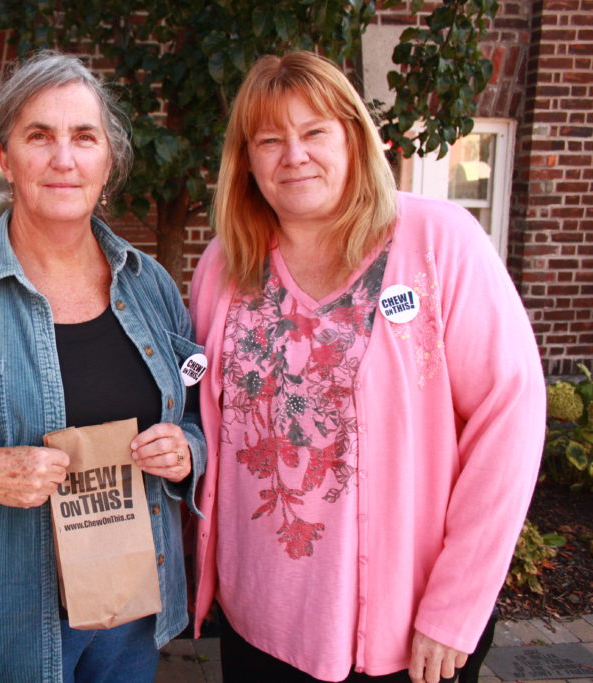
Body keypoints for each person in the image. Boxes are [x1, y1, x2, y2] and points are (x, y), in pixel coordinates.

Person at [189, 52, 545, 683]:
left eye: (315, 131)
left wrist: (455, 608)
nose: (293, 155)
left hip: (405, 635)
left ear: (354, 137)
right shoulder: (224, 265)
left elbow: (509, 421)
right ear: (246, 161)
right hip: (257, 620)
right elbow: (202, 416)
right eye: (269, 140)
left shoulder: (440, 242)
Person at [0, 51, 206, 683]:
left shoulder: (150, 286)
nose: (63, 158)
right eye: (39, 136)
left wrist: (185, 451)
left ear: (109, 161)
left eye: (84, 137)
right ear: (5, 158)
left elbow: (196, 419)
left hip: (125, 625)